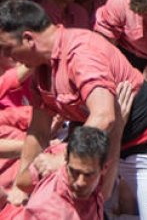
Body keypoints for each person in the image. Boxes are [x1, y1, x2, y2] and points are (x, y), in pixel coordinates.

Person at [0, 0, 147, 218]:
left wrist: (63, 159)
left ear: (29, 39)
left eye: (7, 48)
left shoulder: (82, 53)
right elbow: (38, 131)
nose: (8, 57)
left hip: (146, 148)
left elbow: (104, 116)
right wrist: (22, 186)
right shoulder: (41, 69)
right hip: (94, 154)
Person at [22, 86, 133, 220]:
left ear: (103, 169)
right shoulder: (50, 210)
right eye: (74, 172)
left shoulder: (90, 170)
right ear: (65, 160)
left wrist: (118, 127)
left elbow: (104, 192)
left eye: (88, 174)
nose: (80, 182)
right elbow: (22, 182)